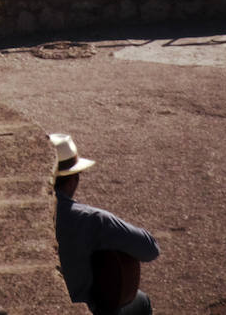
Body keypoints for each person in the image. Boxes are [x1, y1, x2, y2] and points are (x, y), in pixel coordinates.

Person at [51, 132, 159, 315]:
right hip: (79, 309)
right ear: (73, 180)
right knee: (140, 301)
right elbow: (150, 249)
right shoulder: (91, 220)